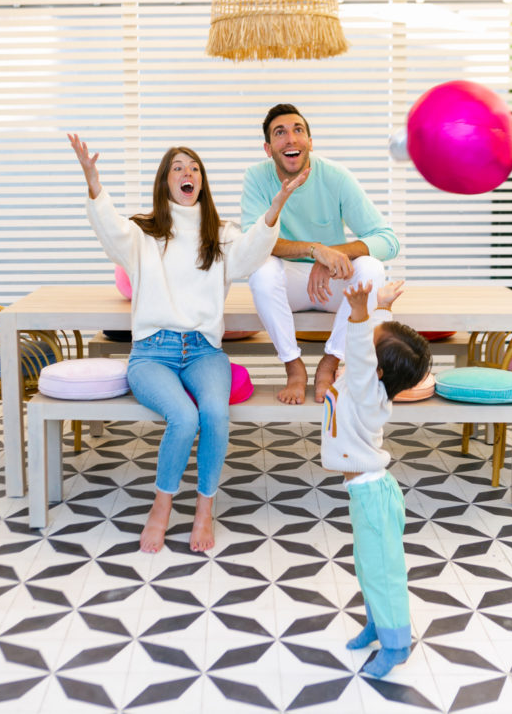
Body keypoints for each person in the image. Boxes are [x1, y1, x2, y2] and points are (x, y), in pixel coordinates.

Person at [68, 133, 308, 554]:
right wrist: (92, 180)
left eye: (194, 168)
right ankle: (160, 509)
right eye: (178, 167)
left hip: (203, 352)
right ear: (165, 182)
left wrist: (278, 203)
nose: (188, 173)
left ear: (202, 182)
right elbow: (106, 225)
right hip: (152, 354)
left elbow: (253, 253)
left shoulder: (220, 234)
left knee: (214, 414)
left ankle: (203, 512)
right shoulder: (142, 234)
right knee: (184, 417)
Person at [241, 103, 400, 405]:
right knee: (261, 270)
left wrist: (330, 256)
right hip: (285, 286)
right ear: (268, 147)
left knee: (372, 270)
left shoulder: (336, 176)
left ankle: (330, 363)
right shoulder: (256, 178)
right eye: (280, 133)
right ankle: (293, 367)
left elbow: (388, 240)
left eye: (298, 130)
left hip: (332, 287)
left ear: (310, 143)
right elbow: (252, 243)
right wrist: (314, 250)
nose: (290, 139)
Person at [322, 279, 431, 678]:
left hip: (373, 496)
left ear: (376, 368)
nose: (361, 339)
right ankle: (375, 623)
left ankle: (397, 644)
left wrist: (358, 313)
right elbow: (372, 352)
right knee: (368, 566)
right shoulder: (363, 383)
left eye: (368, 340)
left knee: (383, 572)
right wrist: (381, 308)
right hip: (364, 492)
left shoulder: (367, 392)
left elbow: (365, 353)